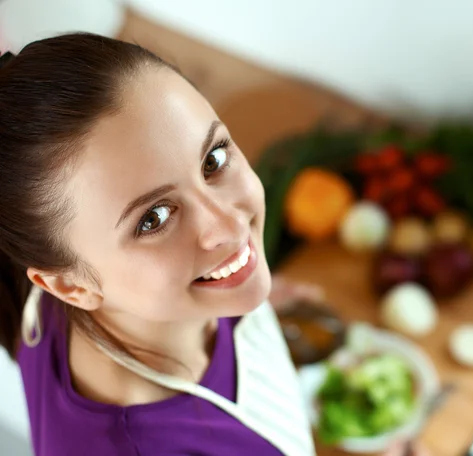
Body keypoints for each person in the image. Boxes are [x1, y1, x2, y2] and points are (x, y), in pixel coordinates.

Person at [0, 33, 427, 456]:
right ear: (71, 287)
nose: (229, 224)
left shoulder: (85, 281)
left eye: (214, 159)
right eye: (154, 218)